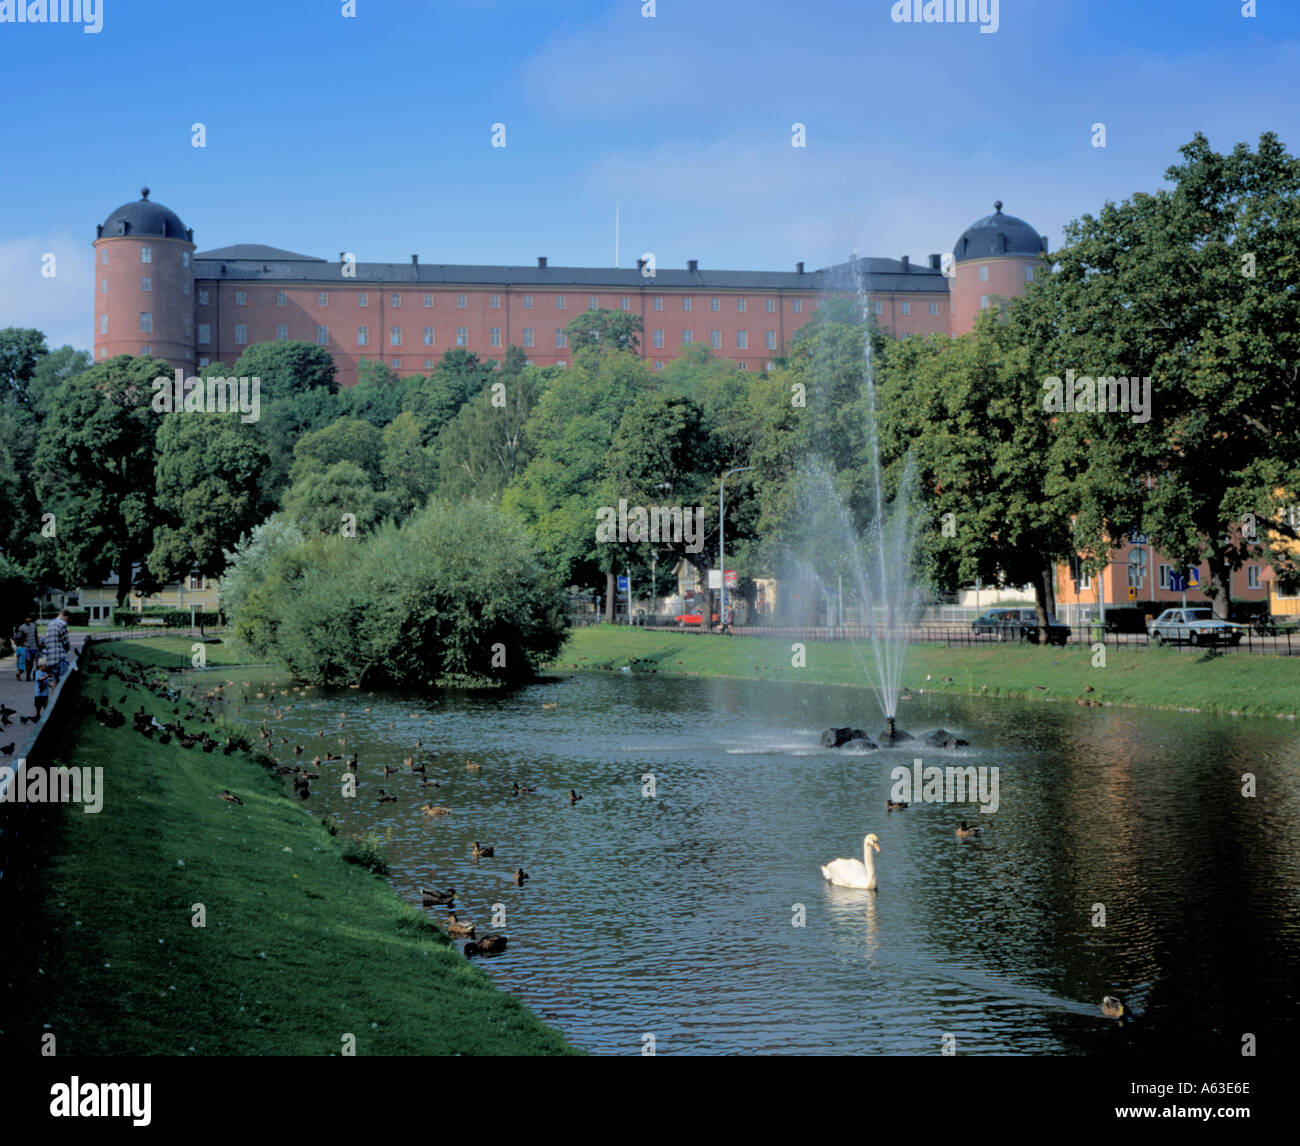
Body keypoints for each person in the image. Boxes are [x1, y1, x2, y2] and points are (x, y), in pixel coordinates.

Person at [45, 609, 71, 685]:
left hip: (51, 659)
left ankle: (53, 697)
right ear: (66, 617)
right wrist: (67, 649)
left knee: (55, 683)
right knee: (63, 684)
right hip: (60, 658)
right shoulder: (62, 624)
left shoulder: (50, 624)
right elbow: (66, 642)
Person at [16, 615, 39, 681]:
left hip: (34, 647)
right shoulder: (22, 628)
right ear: (24, 619)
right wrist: (21, 644)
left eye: (29, 618)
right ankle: (28, 676)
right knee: (28, 661)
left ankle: (29, 673)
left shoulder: (34, 626)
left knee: (32, 662)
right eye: (26, 618)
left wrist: (38, 644)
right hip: (27, 648)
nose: (28, 619)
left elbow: (36, 636)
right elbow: (18, 637)